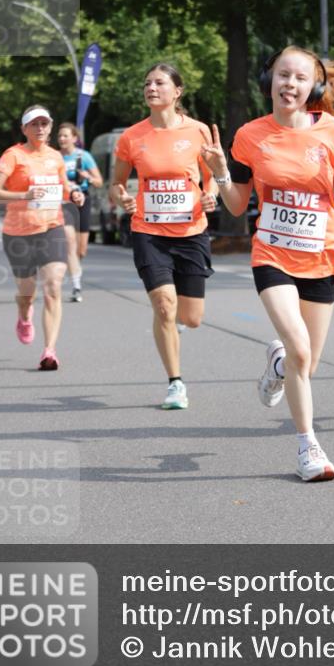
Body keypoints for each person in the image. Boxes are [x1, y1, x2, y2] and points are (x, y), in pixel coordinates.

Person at [200, 46, 334, 482]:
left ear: (312, 86)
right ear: (269, 81)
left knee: (305, 365)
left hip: (323, 252)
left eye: (299, 78)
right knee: (300, 348)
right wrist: (220, 170)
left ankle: (277, 367)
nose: (289, 85)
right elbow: (237, 206)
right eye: (282, 76)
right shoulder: (249, 136)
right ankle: (307, 447)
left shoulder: (333, 132)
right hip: (273, 254)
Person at [110, 63, 218, 410]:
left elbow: (212, 174)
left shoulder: (199, 131)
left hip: (191, 231)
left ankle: (172, 325)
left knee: (191, 318)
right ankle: (175, 384)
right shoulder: (132, 136)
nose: (151, 88)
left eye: (159, 82)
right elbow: (115, 183)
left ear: (178, 91)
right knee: (164, 305)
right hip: (149, 231)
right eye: (147, 83)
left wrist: (211, 192)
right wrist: (121, 197)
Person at [0, 106, 84, 370]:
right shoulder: (13, 156)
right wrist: (23, 196)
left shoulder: (55, 157)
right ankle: (23, 314)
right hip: (18, 233)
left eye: (44, 123)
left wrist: (74, 194)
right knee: (26, 292)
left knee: (53, 286)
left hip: (52, 227)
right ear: (24, 129)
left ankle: (49, 350)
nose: (40, 128)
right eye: (34, 124)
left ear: (50, 127)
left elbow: (64, 189)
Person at [57, 122, 103, 303]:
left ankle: (75, 268)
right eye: (59, 136)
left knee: (81, 249)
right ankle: (76, 284)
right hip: (64, 202)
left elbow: (99, 181)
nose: (62, 139)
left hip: (83, 200)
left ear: (75, 138)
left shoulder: (84, 157)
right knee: (70, 243)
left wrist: (88, 177)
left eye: (65, 135)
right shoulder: (55, 157)